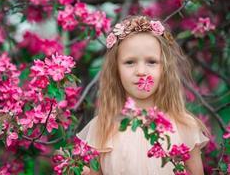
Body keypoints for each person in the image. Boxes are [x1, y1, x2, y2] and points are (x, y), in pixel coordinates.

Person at [76, 15, 209, 175]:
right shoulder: (102, 127)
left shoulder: (183, 126)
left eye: (151, 62)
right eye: (130, 62)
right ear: (116, 70)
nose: (141, 72)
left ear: (164, 69)